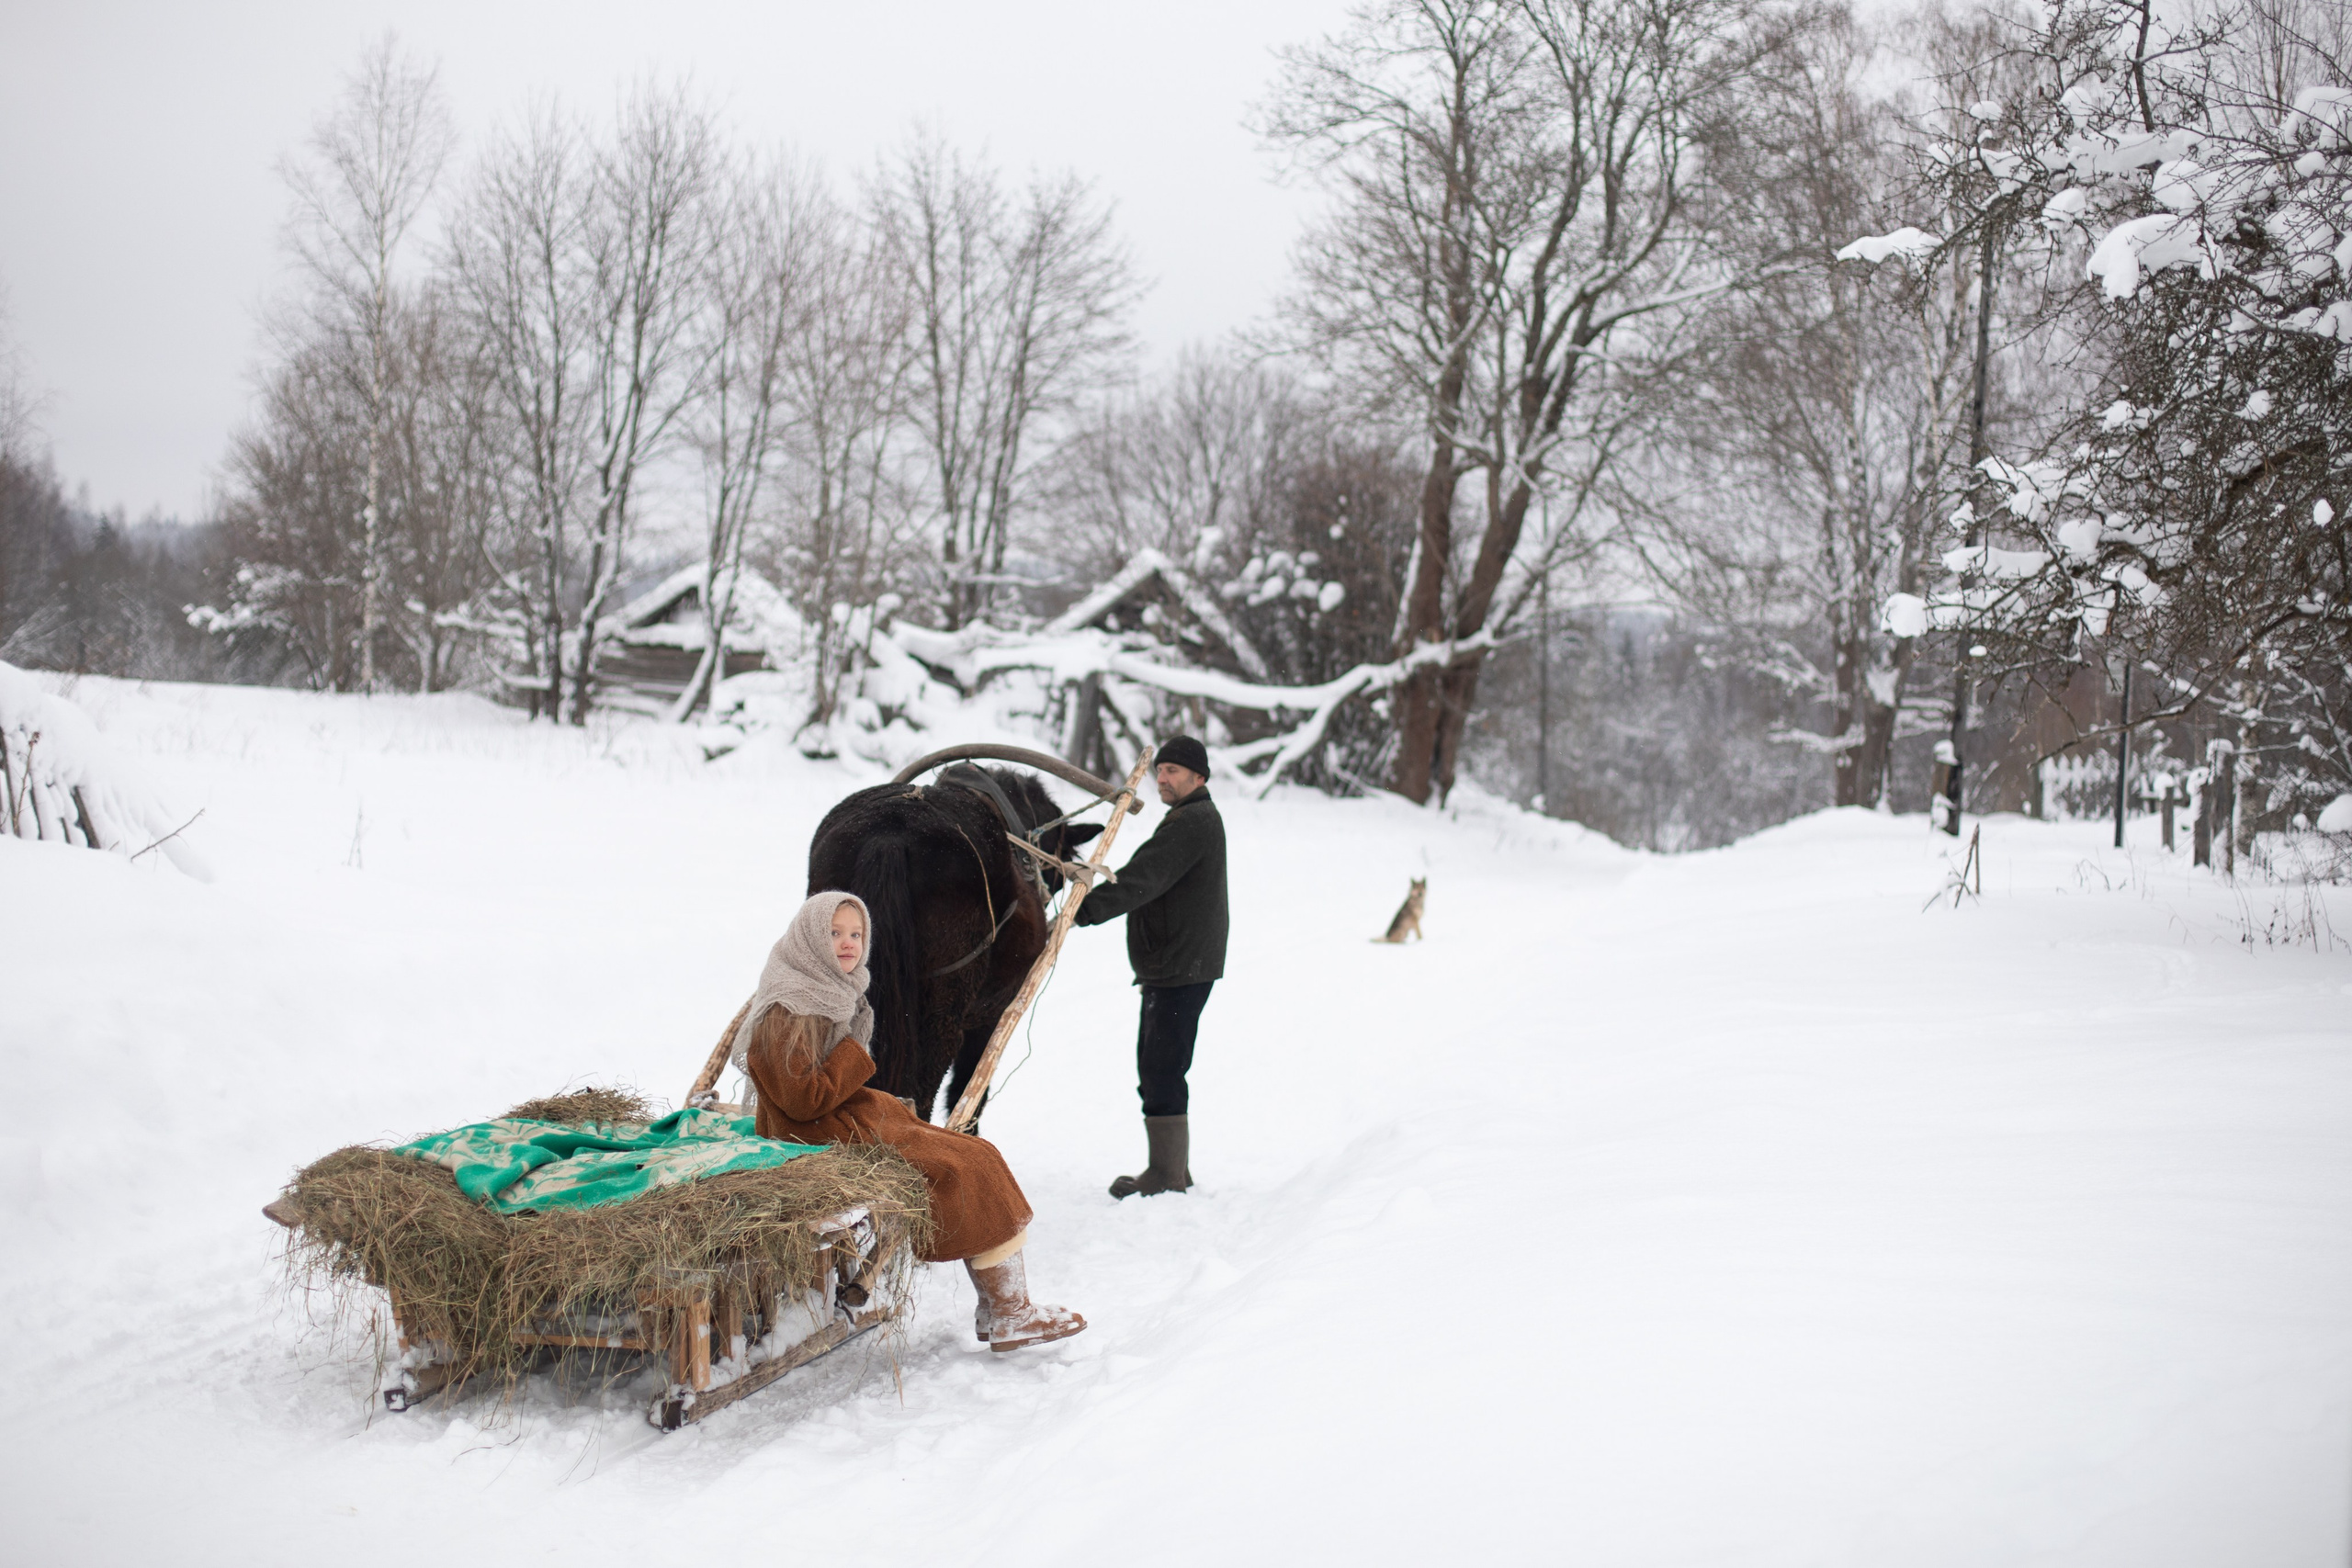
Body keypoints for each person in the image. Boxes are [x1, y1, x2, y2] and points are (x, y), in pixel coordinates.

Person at [728, 891, 1084, 1351]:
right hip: (813, 1131)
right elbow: (801, 1098)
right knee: (960, 1164)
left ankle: (999, 1308)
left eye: (856, 933)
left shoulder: (831, 989)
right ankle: (1011, 1312)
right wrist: (855, 1055)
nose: (848, 943)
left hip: (835, 1118)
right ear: (810, 939)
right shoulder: (791, 1006)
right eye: (834, 933)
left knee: (976, 1151)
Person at [1073, 734, 1227, 1199]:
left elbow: (1143, 879)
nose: (1163, 778)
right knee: (1159, 1066)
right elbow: (1148, 876)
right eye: (1160, 770)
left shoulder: (1193, 821)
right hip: (1177, 963)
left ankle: (1167, 1175)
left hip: (1182, 965)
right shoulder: (1188, 818)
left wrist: (1081, 910)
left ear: (1199, 777)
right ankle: (1172, 1168)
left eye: (1174, 771)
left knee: (1161, 1068)